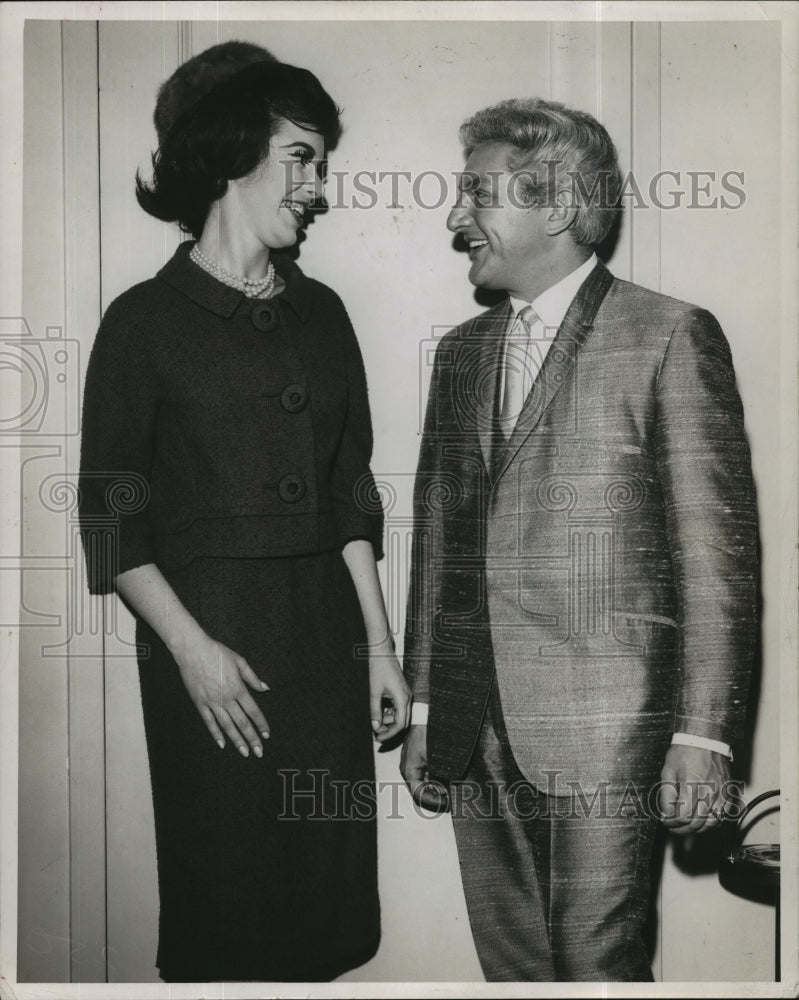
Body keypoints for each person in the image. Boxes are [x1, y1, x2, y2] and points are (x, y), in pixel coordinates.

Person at [401, 97, 758, 982]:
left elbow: (715, 561)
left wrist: (704, 738)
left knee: (598, 973)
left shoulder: (669, 336)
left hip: (611, 741)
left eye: (476, 195)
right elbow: (438, 550)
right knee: (515, 974)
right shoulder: (459, 355)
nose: (456, 219)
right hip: (475, 735)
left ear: (556, 205)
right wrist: (423, 710)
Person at [79, 43, 409, 983]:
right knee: (227, 917)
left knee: (323, 923)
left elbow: (352, 494)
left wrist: (379, 651)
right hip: (212, 663)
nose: (318, 186)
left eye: (322, 163)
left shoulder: (325, 313)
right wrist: (192, 653)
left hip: (324, 651)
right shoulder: (143, 321)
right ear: (230, 154)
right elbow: (109, 517)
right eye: (301, 157)